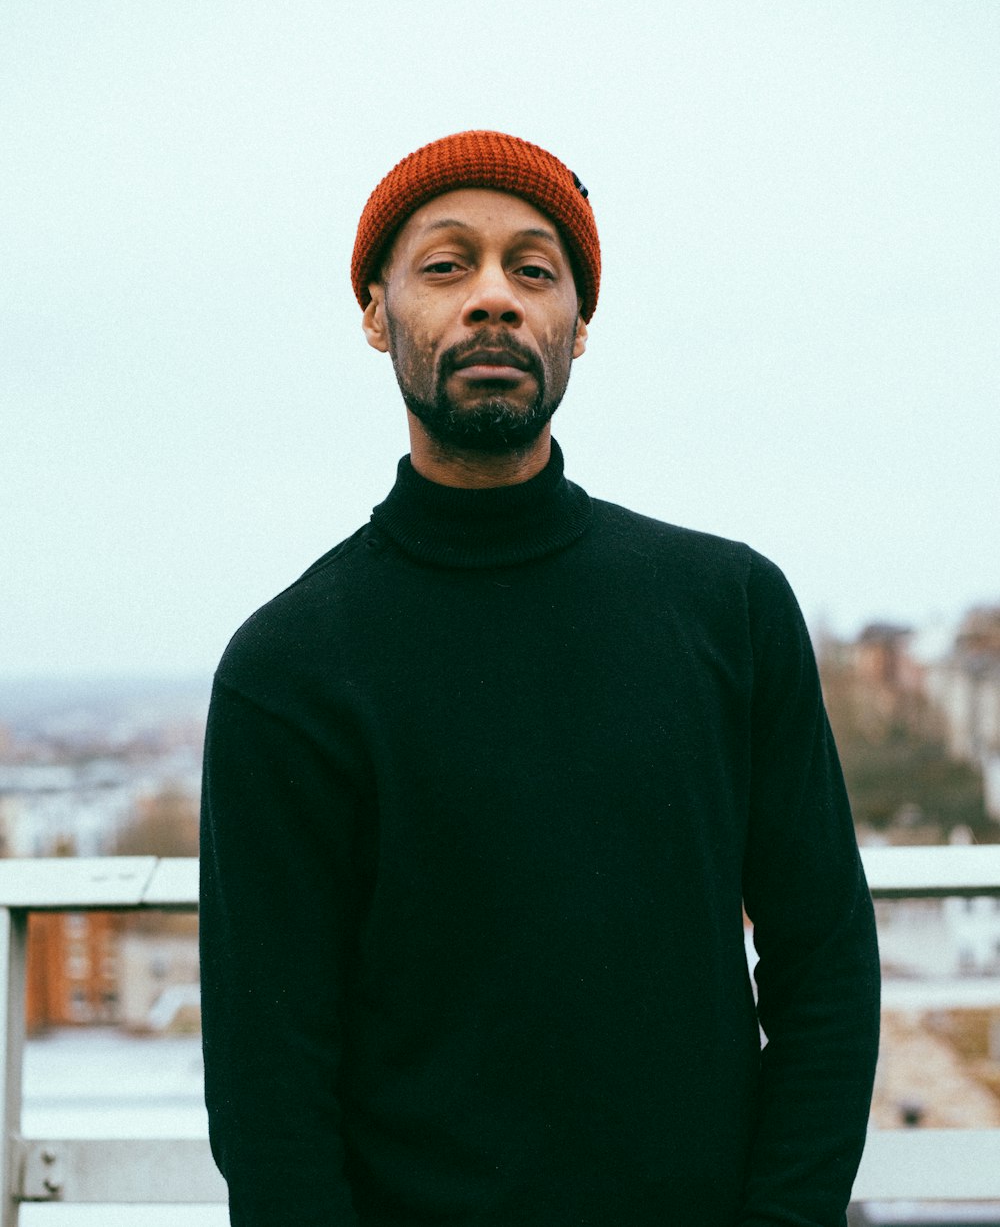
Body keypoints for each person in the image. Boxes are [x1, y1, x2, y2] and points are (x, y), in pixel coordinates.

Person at [199, 130, 880, 1227]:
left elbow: (826, 962)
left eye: (532, 268)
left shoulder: (729, 608)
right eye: (445, 264)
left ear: (577, 324)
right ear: (376, 315)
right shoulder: (289, 667)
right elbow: (268, 1077)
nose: (492, 300)